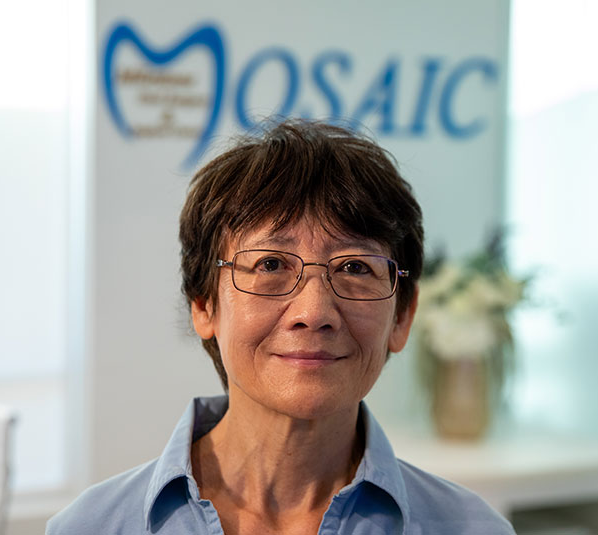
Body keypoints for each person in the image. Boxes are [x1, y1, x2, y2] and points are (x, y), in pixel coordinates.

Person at [46, 120, 515, 534]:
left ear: (403, 315)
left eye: (355, 267)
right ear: (204, 303)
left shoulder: (472, 528)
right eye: (270, 263)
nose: (314, 311)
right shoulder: (90, 526)